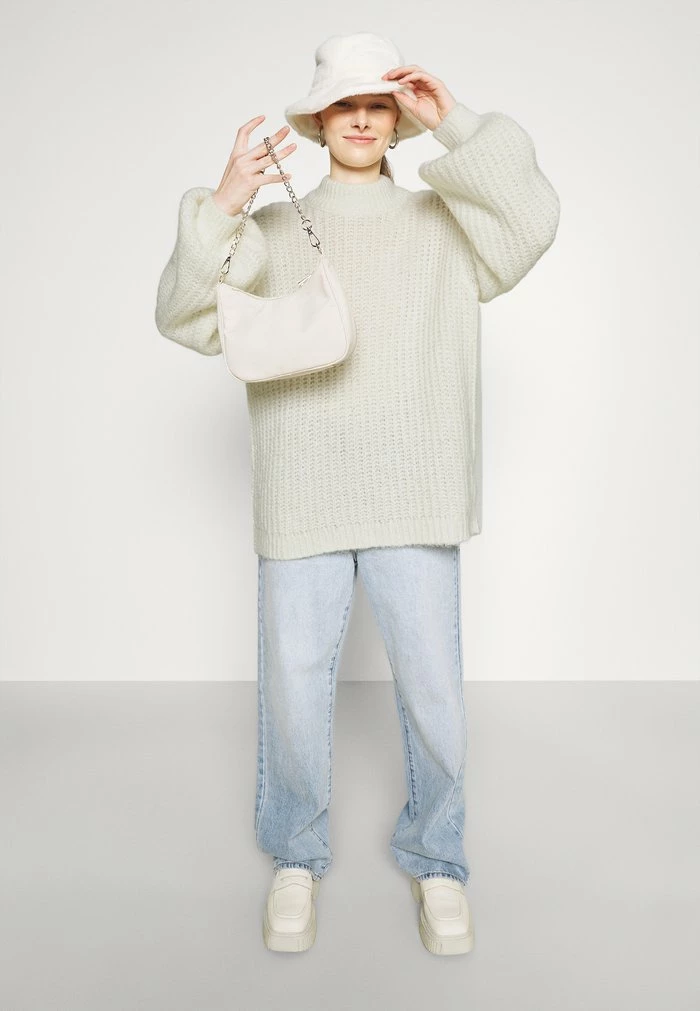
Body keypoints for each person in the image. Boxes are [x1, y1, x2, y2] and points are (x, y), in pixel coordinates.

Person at [155, 31, 560, 956]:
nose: (365, 119)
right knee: (294, 691)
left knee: (433, 692)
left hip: (415, 487)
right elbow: (182, 314)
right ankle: (295, 853)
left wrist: (455, 121)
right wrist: (226, 198)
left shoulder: (446, 223)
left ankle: (438, 856)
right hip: (303, 486)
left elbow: (533, 220)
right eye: (346, 103)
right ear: (318, 119)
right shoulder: (271, 230)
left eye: (380, 103)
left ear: (398, 118)